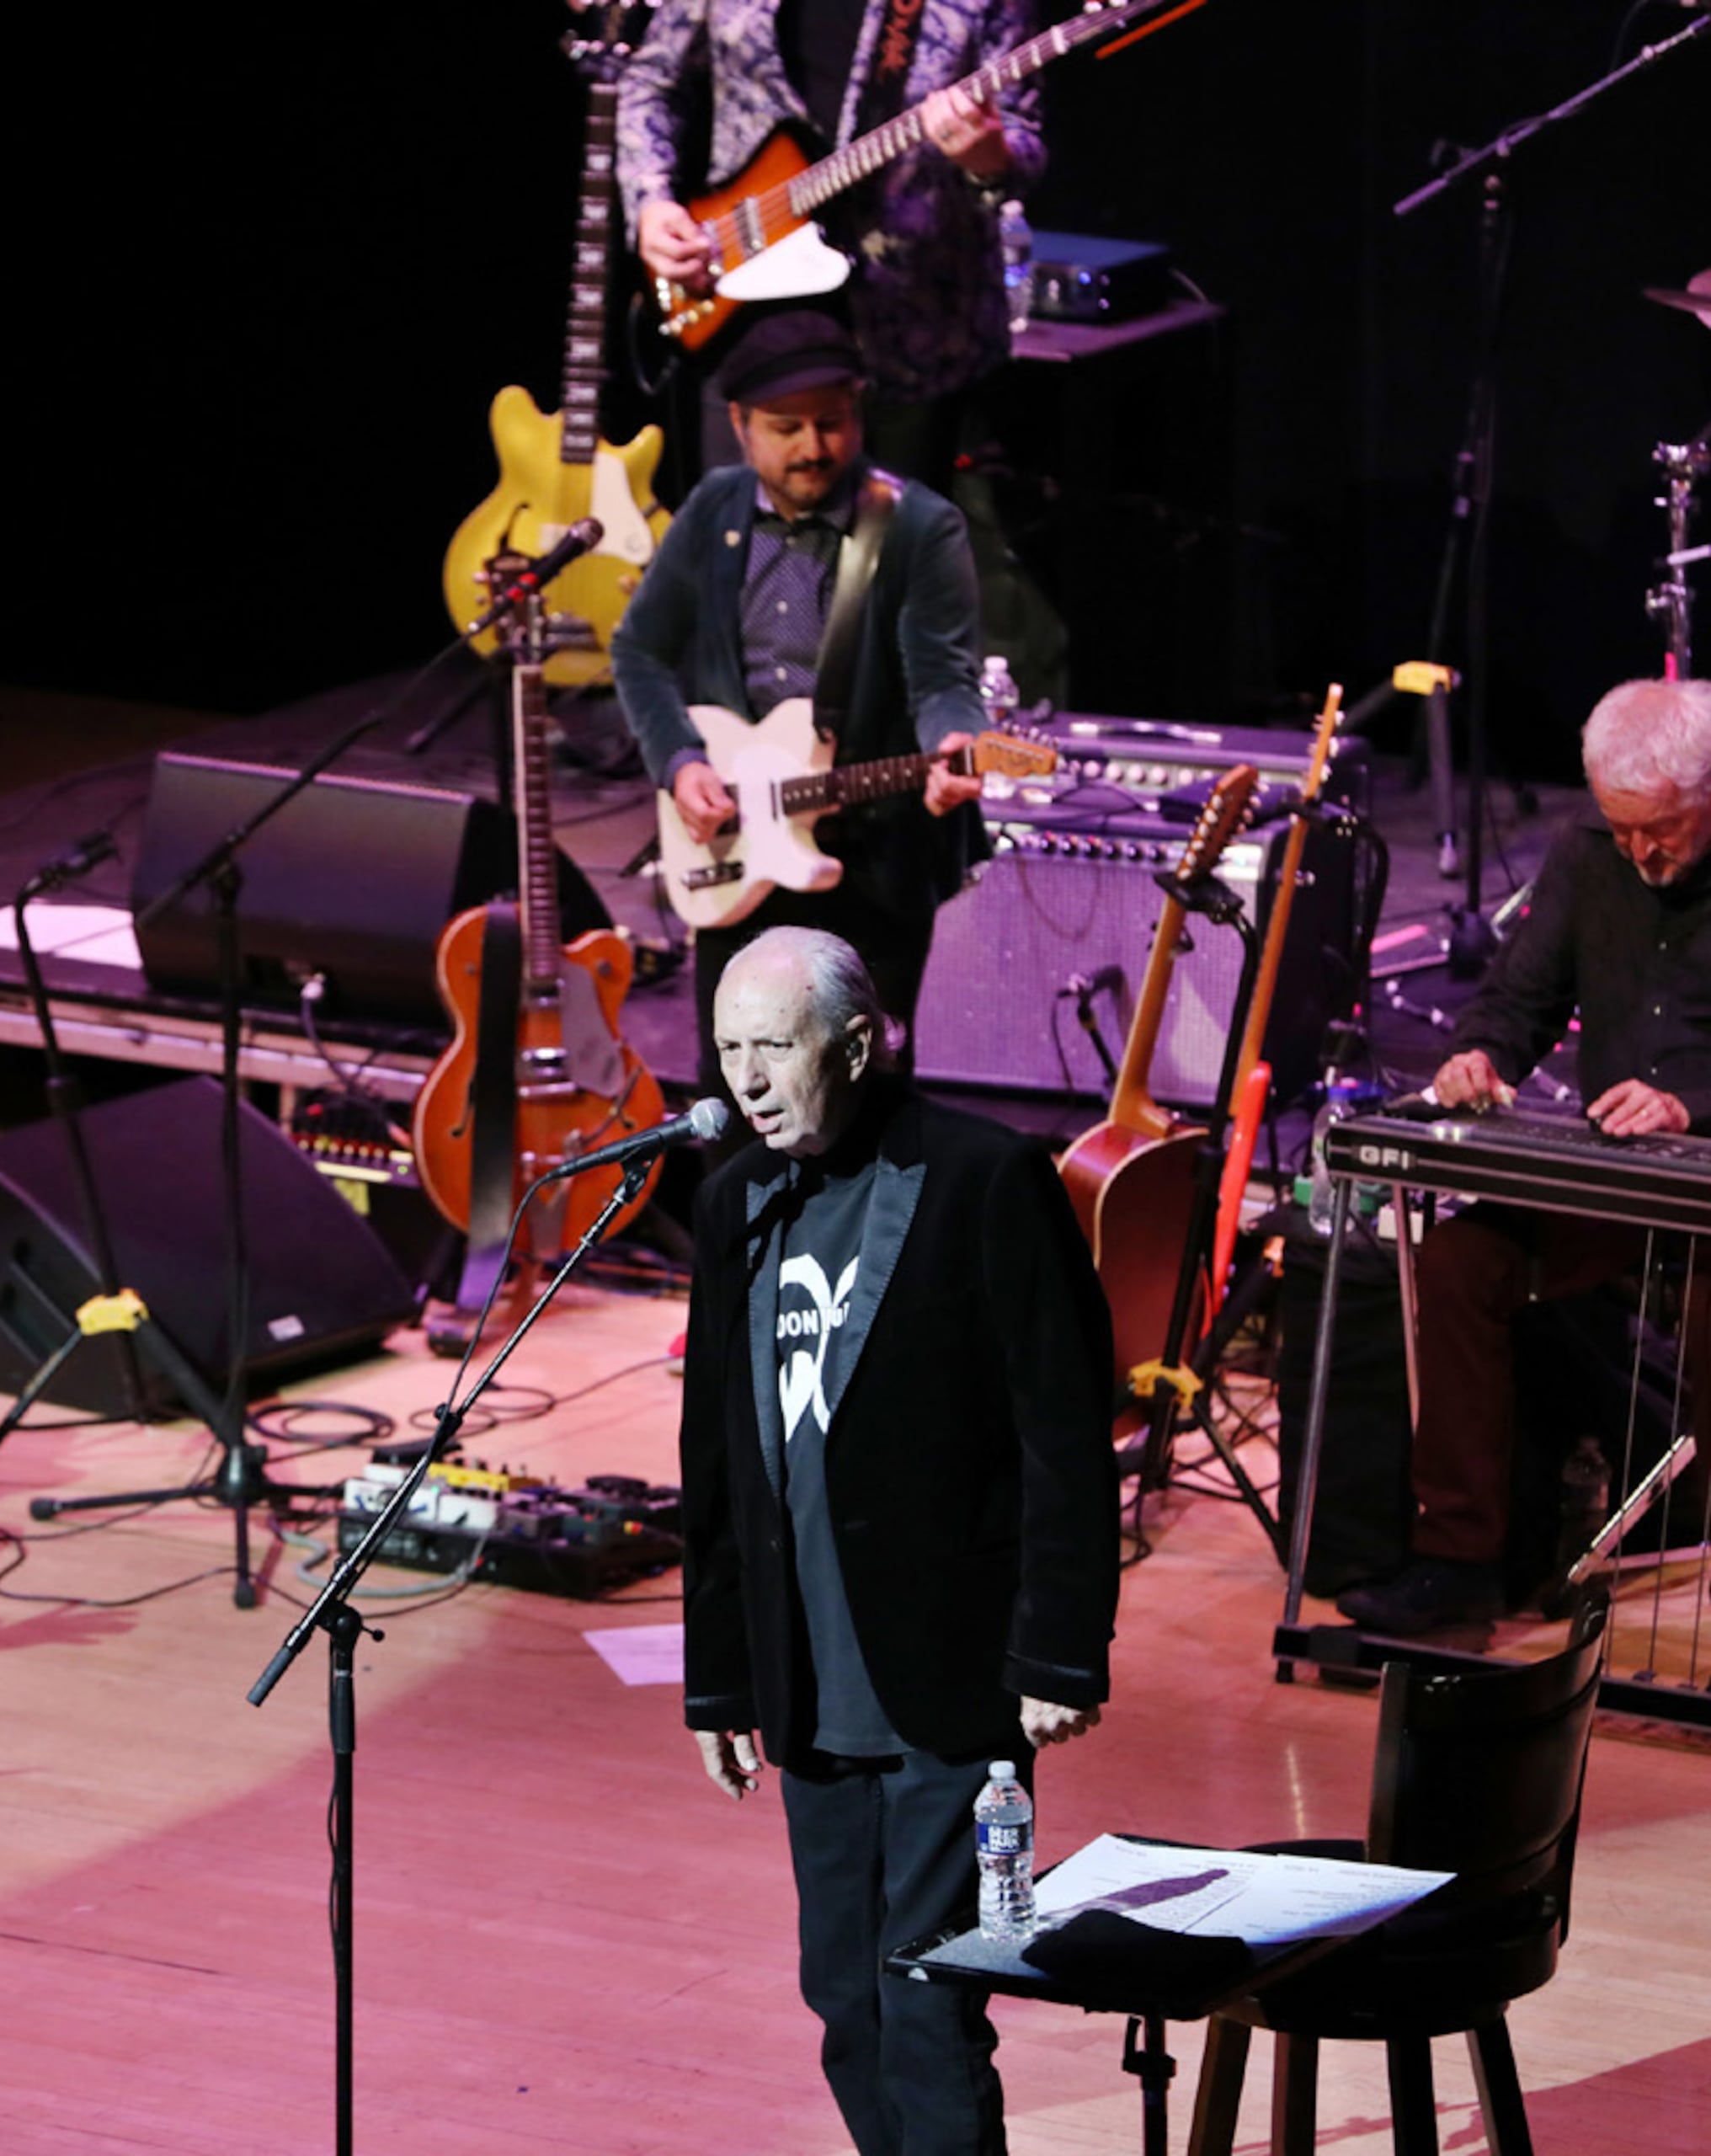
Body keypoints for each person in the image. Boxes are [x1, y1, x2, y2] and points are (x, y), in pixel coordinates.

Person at [676, 927, 1116, 2156]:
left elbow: (1063, 1429)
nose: (746, 1079)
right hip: (809, 1674)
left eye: (776, 1046)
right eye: (728, 1048)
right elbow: (714, 1460)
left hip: (950, 1677)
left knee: (928, 1996)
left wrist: (1059, 1649)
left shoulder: (984, 1178)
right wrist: (720, 1677)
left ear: (858, 1045)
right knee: (844, 1999)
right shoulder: (733, 1199)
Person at [1341, 678, 1711, 1637]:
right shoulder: (1589, 852)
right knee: (1461, 1260)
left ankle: (1695, 1525)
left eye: (1661, 829)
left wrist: (1688, 1104)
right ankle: (1460, 1562)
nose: (1641, 852)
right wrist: (1480, 1058)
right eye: (1623, 830)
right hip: (1613, 1175)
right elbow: (1520, 998)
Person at [609, 310, 989, 1081]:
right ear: (740, 425)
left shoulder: (918, 527)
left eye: (831, 423)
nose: (813, 448)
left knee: (861, 1095)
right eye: (786, 428)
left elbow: (943, 676)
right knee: (738, 1093)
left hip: (872, 859)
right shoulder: (714, 509)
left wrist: (954, 741)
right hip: (736, 847)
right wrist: (680, 762)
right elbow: (639, 650)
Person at [617, 0, 1042, 488]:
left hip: (913, 334)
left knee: (893, 537)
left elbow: (1022, 137)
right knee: (749, 535)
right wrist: (650, 202)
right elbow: (651, 83)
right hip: (746, 305)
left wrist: (991, 157)